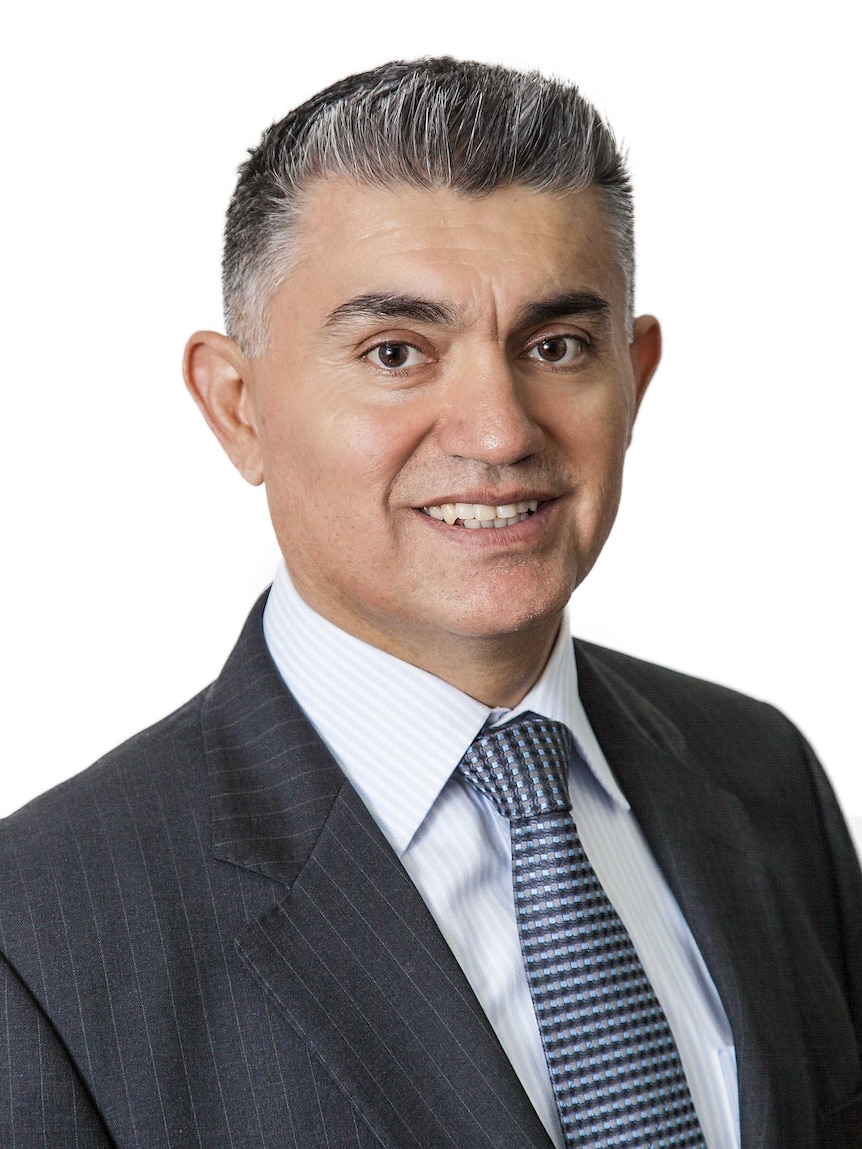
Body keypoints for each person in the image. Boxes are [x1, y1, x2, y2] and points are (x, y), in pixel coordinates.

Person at [1, 58, 860, 1149]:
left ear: (633, 377)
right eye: (396, 352)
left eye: (555, 347)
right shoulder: (41, 937)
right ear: (237, 407)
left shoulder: (762, 774)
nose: (498, 431)